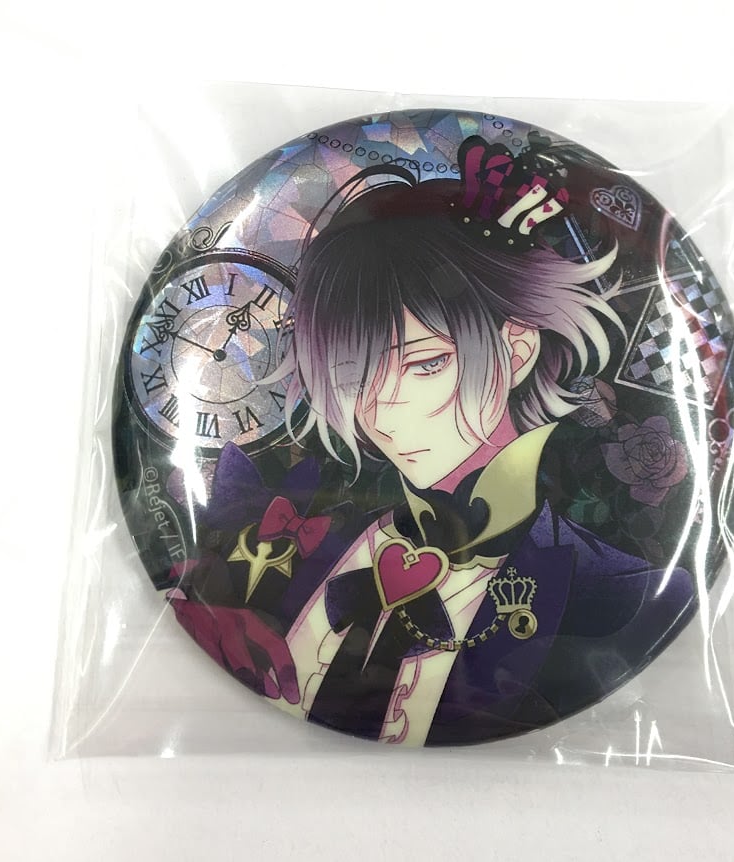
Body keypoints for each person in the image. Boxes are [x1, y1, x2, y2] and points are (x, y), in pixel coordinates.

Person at [169, 134, 696, 746]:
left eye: (425, 364)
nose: (385, 411)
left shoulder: (626, 593)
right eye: (353, 376)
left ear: (517, 351)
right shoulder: (307, 544)